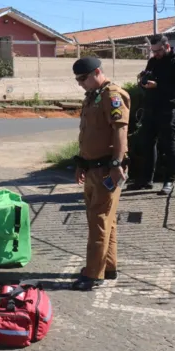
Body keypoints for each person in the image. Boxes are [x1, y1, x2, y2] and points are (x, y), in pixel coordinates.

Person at [71, 57, 131, 291]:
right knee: (107, 220)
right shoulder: (93, 96)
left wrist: (117, 164)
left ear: (97, 72)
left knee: (99, 220)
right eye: (77, 80)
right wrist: (81, 163)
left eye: (83, 78)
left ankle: (93, 274)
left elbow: (120, 131)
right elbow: (88, 134)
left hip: (107, 168)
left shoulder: (112, 95)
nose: (80, 84)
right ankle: (108, 267)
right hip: (92, 167)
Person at [128, 34, 175, 195]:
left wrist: (158, 85)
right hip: (150, 108)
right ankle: (146, 180)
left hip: (168, 109)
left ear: (167, 46)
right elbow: (148, 77)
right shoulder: (153, 61)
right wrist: (143, 81)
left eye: (158, 51)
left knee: (168, 145)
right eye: (153, 51)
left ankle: (169, 180)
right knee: (147, 143)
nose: (156, 54)